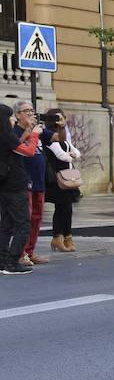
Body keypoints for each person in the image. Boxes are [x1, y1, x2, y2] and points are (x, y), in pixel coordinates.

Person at [0, 104, 36, 274]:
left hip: (4, 184)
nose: (12, 119)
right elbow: (28, 151)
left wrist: (27, 132)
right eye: (10, 116)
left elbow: (15, 147)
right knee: (23, 225)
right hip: (14, 184)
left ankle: (2, 260)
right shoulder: (6, 135)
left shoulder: (5, 137)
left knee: (6, 224)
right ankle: (12, 262)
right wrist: (35, 135)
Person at [15, 101, 52, 266]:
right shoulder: (14, 132)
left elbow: (57, 138)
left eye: (32, 110)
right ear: (18, 115)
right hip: (23, 181)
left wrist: (59, 125)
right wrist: (32, 132)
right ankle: (20, 253)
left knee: (37, 218)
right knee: (25, 218)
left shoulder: (38, 129)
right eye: (26, 111)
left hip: (39, 181)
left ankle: (30, 252)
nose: (31, 113)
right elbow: (20, 147)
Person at [43, 108, 81, 253]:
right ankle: (59, 237)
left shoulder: (62, 136)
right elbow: (61, 155)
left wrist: (73, 154)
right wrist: (71, 155)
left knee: (66, 208)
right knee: (62, 208)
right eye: (58, 118)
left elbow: (76, 151)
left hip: (68, 175)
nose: (61, 121)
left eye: (63, 118)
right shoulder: (49, 137)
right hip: (57, 177)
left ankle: (66, 237)